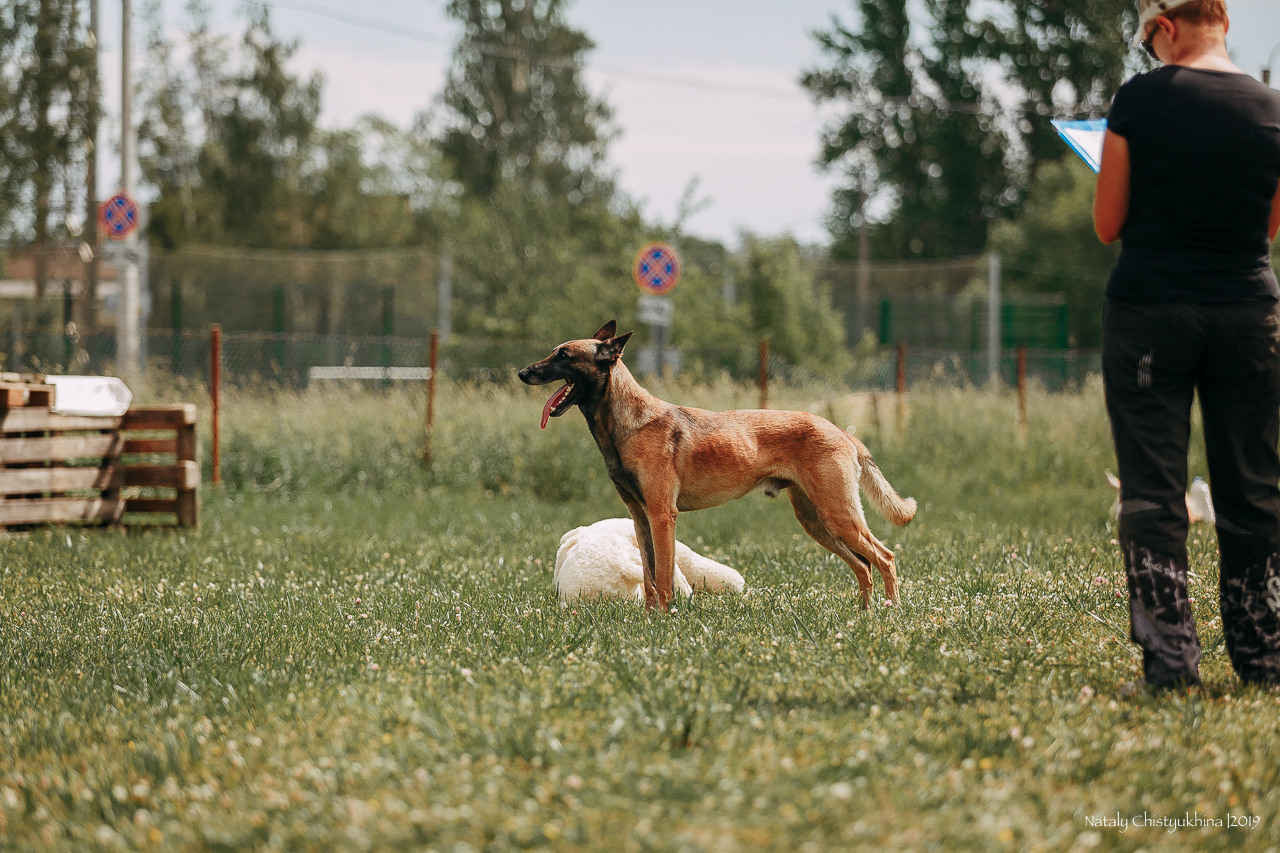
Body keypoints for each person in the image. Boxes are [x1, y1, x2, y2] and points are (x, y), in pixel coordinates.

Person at [1094, 0, 1280, 689]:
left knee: (1153, 492)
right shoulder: (1272, 107)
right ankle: (1265, 658)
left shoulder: (1140, 101)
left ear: (1164, 28)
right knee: (1255, 490)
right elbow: (1266, 231)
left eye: (1149, 43)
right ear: (1224, 18)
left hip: (1151, 313)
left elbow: (1108, 222)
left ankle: (1172, 665)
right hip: (1248, 317)